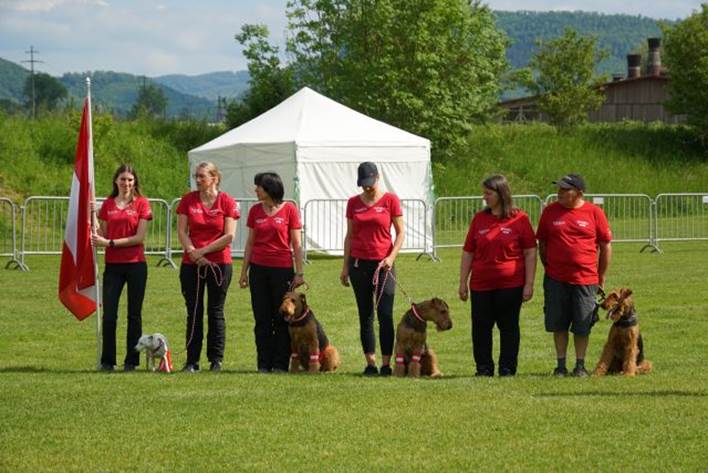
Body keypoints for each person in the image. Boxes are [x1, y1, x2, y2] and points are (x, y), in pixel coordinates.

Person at [458, 175, 537, 377]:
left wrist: (529, 283)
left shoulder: (520, 219)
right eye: (484, 193)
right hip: (481, 284)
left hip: (510, 284)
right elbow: (468, 251)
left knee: (509, 326)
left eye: (488, 193)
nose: (484, 197)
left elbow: (530, 252)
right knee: (481, 328)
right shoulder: (479, 219)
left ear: (501, 194)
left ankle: (507, 368)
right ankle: (483, 368)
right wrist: (463, 282)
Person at [536, 174, 612, 377]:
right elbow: (542, 243)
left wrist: (601, 275)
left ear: (578, 192)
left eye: (564, 190)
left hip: (585, 279)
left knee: (583, 324)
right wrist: (549, 265)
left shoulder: (594, 212)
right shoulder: (549, 212)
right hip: (555, 278)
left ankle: (580, 365)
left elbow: (605, 246)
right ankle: (560, 365)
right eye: (558, 189)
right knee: (558, 323)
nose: (559, 193)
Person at [340, 162, 404, 377]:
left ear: (377, 177)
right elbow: (349, 236)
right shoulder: (352, 203)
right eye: (363, 184)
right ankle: (370, 363)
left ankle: (386, 364)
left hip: (383, 265)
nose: (367, 188)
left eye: (370, 183)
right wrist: (345, 267)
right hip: (359, 264)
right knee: (365, 315)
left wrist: (391, 258)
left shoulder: (390, 200)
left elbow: (400, 233)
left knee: (385, 314)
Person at [176, 161, 239, 373]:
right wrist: (193, 252)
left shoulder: (227, 201)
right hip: (191, 263)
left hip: (219, 263)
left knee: (215, 311)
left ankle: (216, 360)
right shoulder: (188, 200)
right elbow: (182, 231)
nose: (198, 180)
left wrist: (202, 252)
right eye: (197, 176)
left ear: (214, 178)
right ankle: (192, 361)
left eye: (202, 176)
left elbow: (229, 235)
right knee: (193, 311)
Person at [239, 172, 305, 373]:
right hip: (258, 270)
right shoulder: (255, 211)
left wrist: (299, 272)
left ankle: (280, 363)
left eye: (258, 186)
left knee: (282, 317)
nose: (255, 190)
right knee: (262, 318)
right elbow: (250, 243)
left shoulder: (289, 210)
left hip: (282, 270)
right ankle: (263, 363)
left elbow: (296, 243)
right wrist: (244, 272)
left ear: (269, 188)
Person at [92, 164, 152, 371]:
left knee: (134, 315)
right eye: (122, 179)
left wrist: (110, 243)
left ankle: (132, 360)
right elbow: (103, 233)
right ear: (116, 180)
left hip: (136, 265)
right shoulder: (107, 204)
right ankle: (108, 360)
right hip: (113, 267)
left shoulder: (142, 204)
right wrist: (92, 218)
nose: (126, 183)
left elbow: (139, 237)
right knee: (109, 314)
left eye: (130, 180)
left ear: (135, 182)